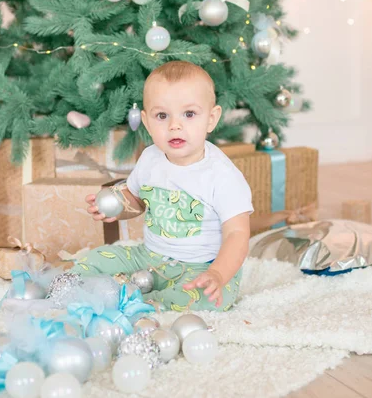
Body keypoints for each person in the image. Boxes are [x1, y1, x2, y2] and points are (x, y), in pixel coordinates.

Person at [72, 61, 253, 312]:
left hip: (203, 266)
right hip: (150, 256)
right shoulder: (150, 159)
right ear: (146, 122)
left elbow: (238, 235)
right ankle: (78, 288)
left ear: (211, 119)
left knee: (201, 297)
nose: (174, 125)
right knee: (95, 259)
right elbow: (137, 201)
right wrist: (116, 207)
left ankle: (146, 305)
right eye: (162, 116)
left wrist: (219, 275)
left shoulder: (222, 176)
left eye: (189, 114)